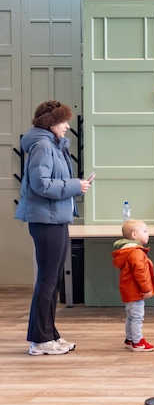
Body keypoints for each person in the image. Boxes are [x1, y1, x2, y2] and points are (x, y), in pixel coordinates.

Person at [15, 100, 92, 356]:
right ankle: (40, 340)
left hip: (54, 219)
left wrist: (75, 185)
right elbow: (41, 185)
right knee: (48, 280)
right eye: (63, 121)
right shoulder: (43, 146)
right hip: (46, 220)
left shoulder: (52, 145)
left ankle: (48, 334)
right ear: (50, 123)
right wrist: (75, 185)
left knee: (52, 279)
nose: (67, 126)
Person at [111, 219, 154, 352]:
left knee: (131, 317)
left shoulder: (127, 251)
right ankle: (138, 342)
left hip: (128, 291)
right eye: (145, 231)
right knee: (137, 318)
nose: (148, 234)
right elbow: (140, 272)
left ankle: (130, 339)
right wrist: (146, 289)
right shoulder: (136, 252)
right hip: (136, 291)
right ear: (134, 235)